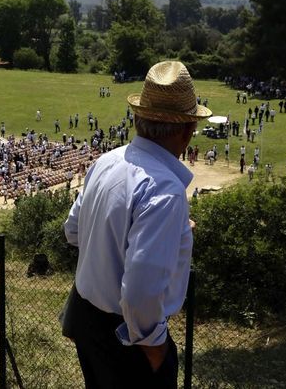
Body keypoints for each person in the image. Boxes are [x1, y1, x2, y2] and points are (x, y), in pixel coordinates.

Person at [63, 61, 211, 388]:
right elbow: (141, 294)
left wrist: (171, 230)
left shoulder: (106, 162)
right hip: (131, 342)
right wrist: (156, 350)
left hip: (88, 323)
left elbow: (73, 231)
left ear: (137, 118)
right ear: (188, 131)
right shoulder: (165, 192)